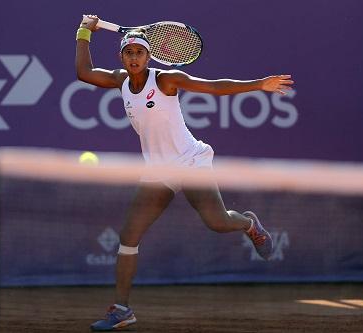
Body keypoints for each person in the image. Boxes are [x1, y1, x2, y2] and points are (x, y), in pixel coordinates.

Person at [75, 15, 294, 332]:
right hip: (158, 170)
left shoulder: (166, 80)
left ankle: (248, 223)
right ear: (121, 57)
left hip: (191, 161)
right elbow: (83, 73)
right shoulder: (120, 81)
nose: (134, 58)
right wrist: (84, 31)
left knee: (217, 222)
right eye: (129, 53)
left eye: (139, 52)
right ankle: (122, 309)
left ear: (148, 56)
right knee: (128, 236)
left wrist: (259, 84)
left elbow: (214, 87)